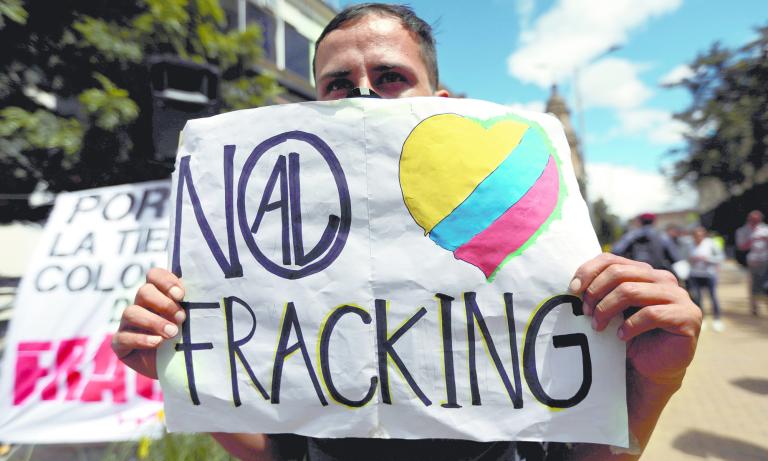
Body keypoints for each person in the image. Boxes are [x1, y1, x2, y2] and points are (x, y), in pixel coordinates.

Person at [112, 4, 702, 460]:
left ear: (440, 102)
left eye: (390, 75)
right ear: (314, 103)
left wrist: (660, 380)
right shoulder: (270, 248)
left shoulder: (527, 233)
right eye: (338, 82)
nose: (363, 93)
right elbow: (281, 453)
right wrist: (181, 371)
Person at [612, 213, 682, 274]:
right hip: (658, 274)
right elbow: (675, 258)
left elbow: (616, 251)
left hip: (635, 274)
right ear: (654, 222)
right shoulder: (662, 237)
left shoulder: (630, 236)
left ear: (640, 222)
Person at [687, 227, 725, 331]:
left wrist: (707, 259)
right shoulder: (690, 245)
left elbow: (720, 257)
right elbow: (685, 258)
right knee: (697, 299)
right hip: (695, 275)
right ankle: (701, 320)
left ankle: (717, 319)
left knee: (713, 297)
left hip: (709, 275)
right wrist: (692, 260)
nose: (698, 237)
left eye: (700, 235)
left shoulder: (711, 243)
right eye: (696, 235)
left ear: (704, 235)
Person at [735, 210, 768, 315]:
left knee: (765, 284)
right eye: (753, 219)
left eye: (757, 219)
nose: (755, 221)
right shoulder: (743, 231)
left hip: (766, 259)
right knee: (753, 284)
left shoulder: (765, 229)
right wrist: (752, 239)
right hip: (753, 260)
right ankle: (754, 307)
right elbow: (741, 246)